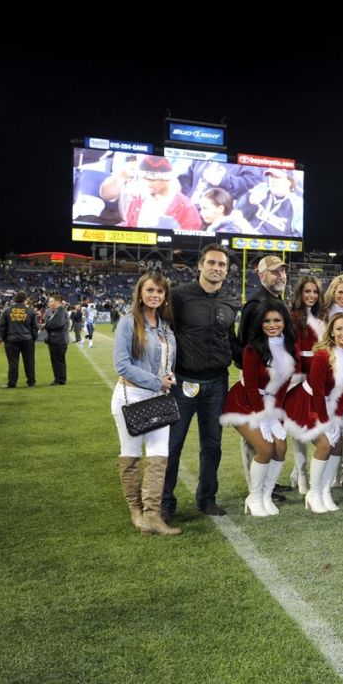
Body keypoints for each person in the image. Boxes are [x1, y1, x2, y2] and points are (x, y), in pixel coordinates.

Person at [162, 244, 241, 522]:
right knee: (173, 444)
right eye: (212, 263)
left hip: (217, 382)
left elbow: (229, 339)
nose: (217, 268)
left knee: (212, 445)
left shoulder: (229, 301)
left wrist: (248, 360)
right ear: (200, 265)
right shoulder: (178, 296)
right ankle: (165, 503)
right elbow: (161, 332)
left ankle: (207, 498)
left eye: (222, 264)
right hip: (183, 381)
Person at [111, 272, 181, 535]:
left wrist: (168, 378)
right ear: (140, 292)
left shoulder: (164, 324)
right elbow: (122, 364)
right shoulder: (129, 322)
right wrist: (156, 382)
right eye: (150, 290)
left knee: (159, 456)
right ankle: (136, 511)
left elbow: (167, 361)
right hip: (131, 397)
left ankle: (152, 516)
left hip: (159, 398)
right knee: (130, 454)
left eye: (160, 292)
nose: (155, 295)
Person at [283, 312, 343, 514]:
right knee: (325, 444)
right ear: (331, 332)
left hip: (332, 407)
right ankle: (313, 493)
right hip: (308, 403)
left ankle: (325, 490)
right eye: (339, 329)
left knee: (337, 446)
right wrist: (324, 420)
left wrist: (336, 419)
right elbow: (318, 391)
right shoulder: (322, 355)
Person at [221, 301, 297, 517]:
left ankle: (266, 494)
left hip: (272, 406)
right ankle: (254, 497)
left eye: (277, 320)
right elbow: (252, 387)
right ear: (260, 324)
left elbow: (283, 388)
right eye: (267, 321)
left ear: (284, 322)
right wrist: (263, 417)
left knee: (280, 448)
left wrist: (276, 418)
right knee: (265, 448)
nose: (272, 325)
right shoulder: (253, 349)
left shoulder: (289, 347)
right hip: (245, 403)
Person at [287, 275, 326, 492]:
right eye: (307, 291)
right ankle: (301, 474)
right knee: (299, 427)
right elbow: (292, 348)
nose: (311, 296)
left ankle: (300, 471)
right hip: (300, 376)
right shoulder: (293, 317)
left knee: (317, 425)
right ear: (300, 294)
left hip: (318, 376)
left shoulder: (323, 318)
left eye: (314, 292)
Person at [120, 155, 203, 231]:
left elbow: (189, 241)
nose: (148, 183)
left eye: (153, 180)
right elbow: (128, 225)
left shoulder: (186, 208)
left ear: (166, 179)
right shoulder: (137, 199)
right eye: (144, 178)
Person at [240, 167, 303, 237]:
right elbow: (239, 215)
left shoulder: (297, 205)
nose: (273, 180)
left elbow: (299, 235)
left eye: (277, 177)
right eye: (271, 176)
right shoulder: (261, 190)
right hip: (245, 236)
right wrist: (249, 202)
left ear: (289, 181)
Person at [0, 291, 37, 388]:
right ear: (25, 299)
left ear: (15, 299)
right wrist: (34, 338)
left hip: (11, 340)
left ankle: (12, 382)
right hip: (27, 339)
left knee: (13, 362)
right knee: (29, 361)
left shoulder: (7, 310)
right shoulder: (30, 311)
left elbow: (2, 326)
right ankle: (31, 381)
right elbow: (34, 327)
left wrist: (2, 338)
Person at [43, 293, 70, 385]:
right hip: (57, 340)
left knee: (58, 361)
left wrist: (46, 326)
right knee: (57, 360)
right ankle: (59, 378)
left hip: (58, 340)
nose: (49, 303)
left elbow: (57, 324)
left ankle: (60, 379)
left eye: (51, 301)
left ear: (57, 302)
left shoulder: (61, 311)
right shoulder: (57, 311)